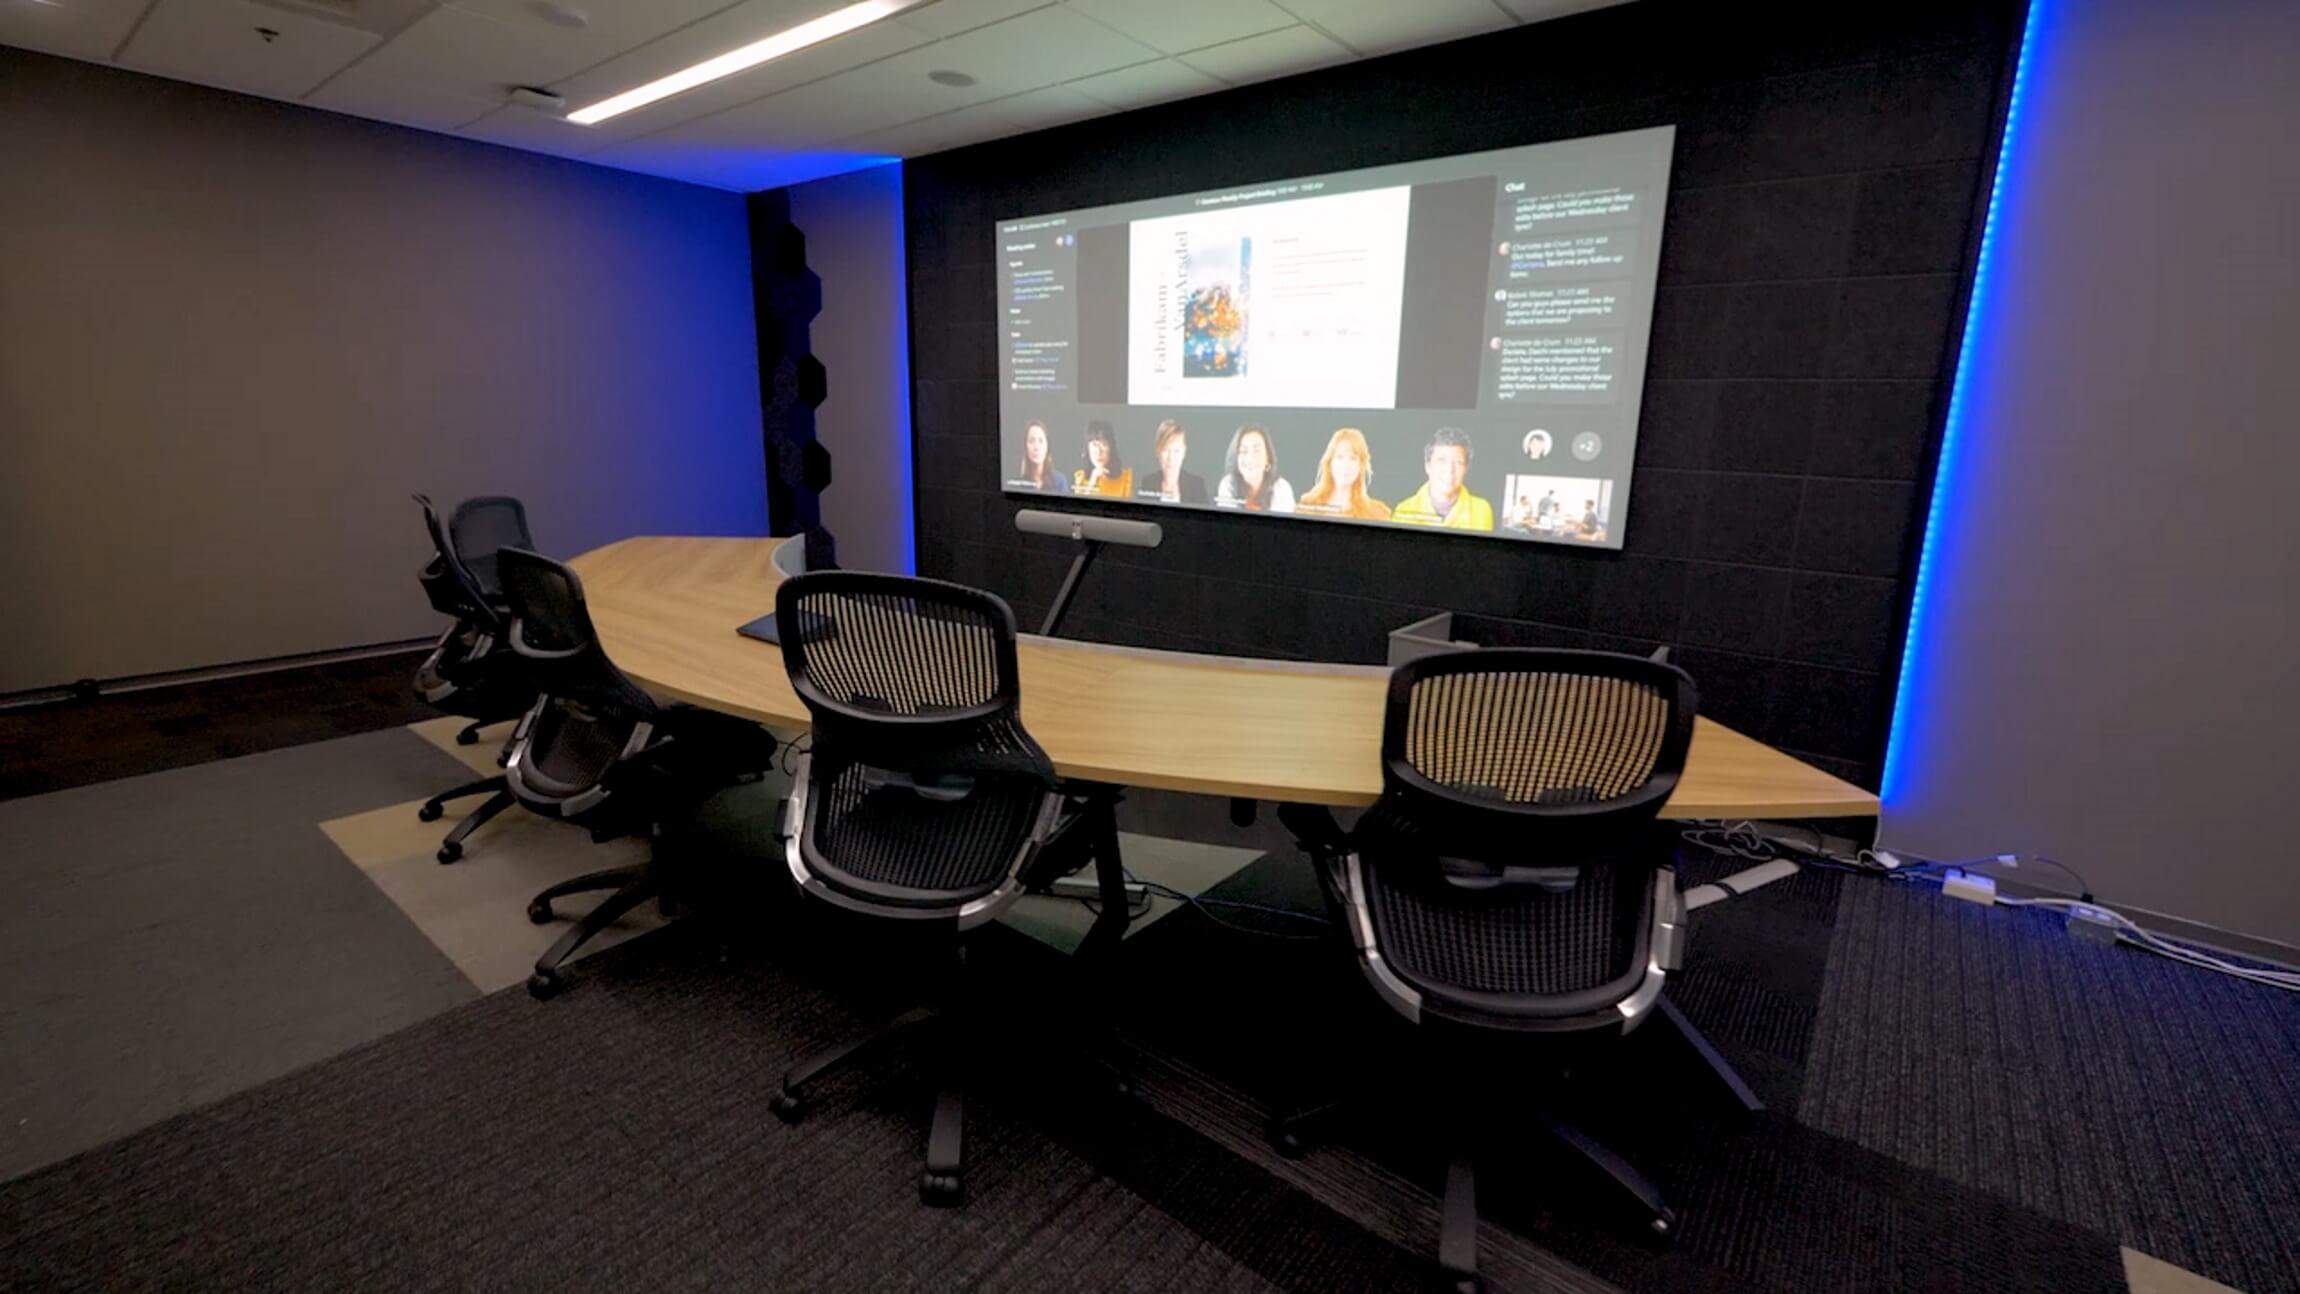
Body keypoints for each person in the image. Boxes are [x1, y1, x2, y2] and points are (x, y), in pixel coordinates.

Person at [1390, 427, 1494, 530]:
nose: (1450, 470)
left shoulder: (1481, 510)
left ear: (1466, 469)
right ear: (1428, 466)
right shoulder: (1405, 510)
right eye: (1441, 461)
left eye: (1458, 462)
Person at [1297, 427, 1390, 520]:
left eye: (1353, 458)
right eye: (1339, 457)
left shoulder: (1377, 513)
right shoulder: (1308, 505)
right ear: (1330, 462)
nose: (1346, 465)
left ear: (1361, 465)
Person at [1215, 424, 1294, 512]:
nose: (1250, 458)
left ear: (1268, 458)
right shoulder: (1228, 484)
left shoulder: (1282, 488)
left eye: (1257, 450)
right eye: (1243, 451)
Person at [1141, 419, 1208, 504]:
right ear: (1158, 451)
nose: (1171, 458)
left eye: (1176, 451)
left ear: (1184, 453)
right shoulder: (1148, 483)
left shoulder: (1196, 485)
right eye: (1165, 450)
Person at [1074, 419, 1133, 497]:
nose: (1098, 452)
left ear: (1111, 448)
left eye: (1104, 444)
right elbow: (1079, 507)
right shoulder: (1080, 477)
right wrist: (1092, 482)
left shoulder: (1126, 477)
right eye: (1094, 445)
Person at [1013, 420, 1067, 492]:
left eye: (1041, 441)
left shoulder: (1060, 482)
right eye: (1031, 441)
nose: (1036, 447)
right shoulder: (1017, 484)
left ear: (1047, 446)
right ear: (1025, 446)